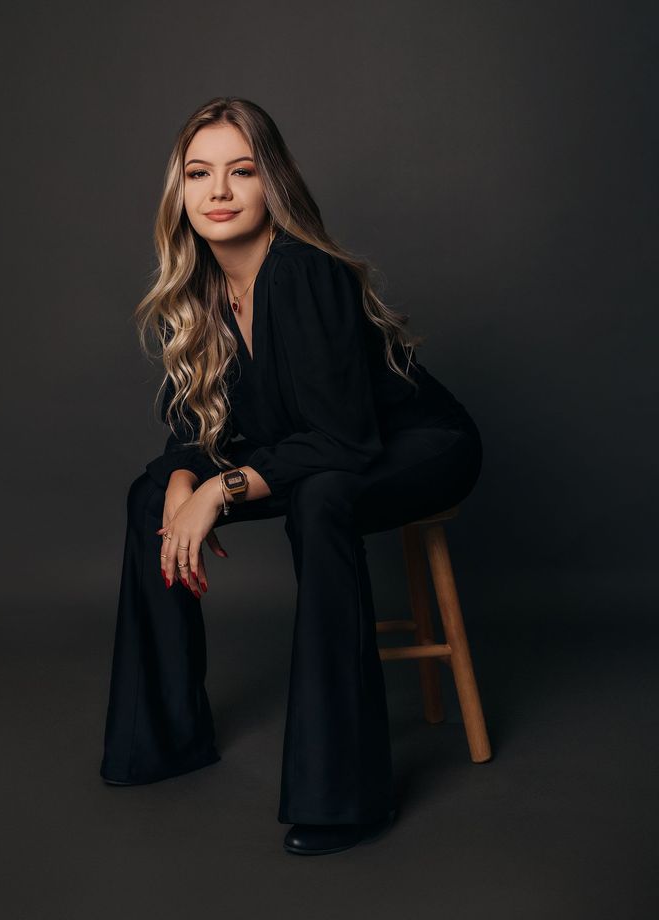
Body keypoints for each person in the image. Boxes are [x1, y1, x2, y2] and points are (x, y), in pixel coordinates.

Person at [99, 96, 483, 857]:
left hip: (418, 446)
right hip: (321, 449)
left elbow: (340, 441)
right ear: (179, 191)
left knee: (321, 494)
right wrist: (182, 480)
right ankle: (164, 739)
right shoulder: (200, 289)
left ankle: (346, 794)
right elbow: (189, 431)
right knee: (150, 494)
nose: (218, 192)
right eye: (199, 173)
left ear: (270, 182)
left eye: (240, 172)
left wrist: (222, 488)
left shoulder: (305, 274)